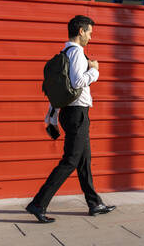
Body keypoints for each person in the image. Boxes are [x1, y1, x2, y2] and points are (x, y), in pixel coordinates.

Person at [26, 15, 116, 223]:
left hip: (70, 112)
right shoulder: (76, 53)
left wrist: (53, 116)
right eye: (90, 33)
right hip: (77, 114)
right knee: (70, 161)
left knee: (84, 161)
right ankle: (38, 203)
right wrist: (94, 71)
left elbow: (60, 90)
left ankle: (95, 204)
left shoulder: (65, 53)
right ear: (81, 31)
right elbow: (76, 83)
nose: (91, 38)